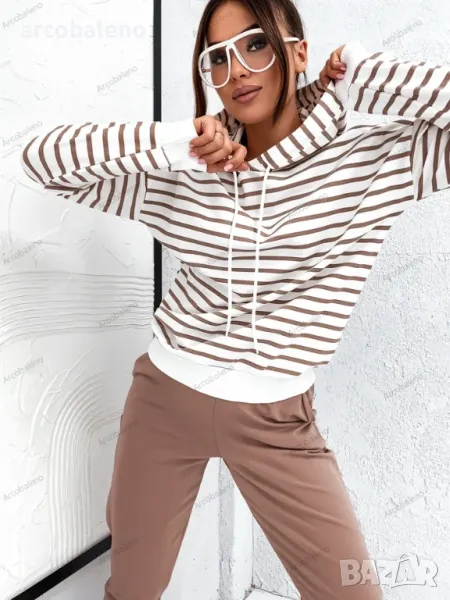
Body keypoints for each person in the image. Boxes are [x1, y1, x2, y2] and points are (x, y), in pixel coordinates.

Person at [20, 0, 449, 598]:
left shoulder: (371, 160)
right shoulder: (188, 169)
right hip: (164, 401)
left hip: (277, 422)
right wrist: (179, 141)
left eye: (255, 44)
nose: (236, 70)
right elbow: (41, 160)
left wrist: (362, 71)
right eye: (216, 58)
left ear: (298, 52)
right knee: (132, 590)